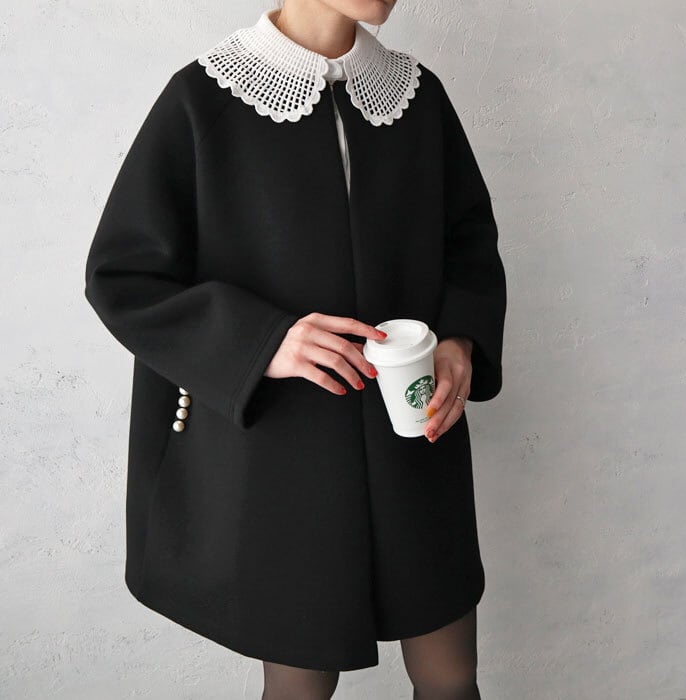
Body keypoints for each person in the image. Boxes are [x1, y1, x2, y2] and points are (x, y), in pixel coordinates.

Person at [83, 0, 507, 697]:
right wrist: (263, 342)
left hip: (414, 438)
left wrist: (461, 339)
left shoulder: (416, 96)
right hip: (285, 459)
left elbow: (468, 240)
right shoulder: (203, 97)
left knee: (451, 678)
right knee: (299, 687)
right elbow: (123, 274)